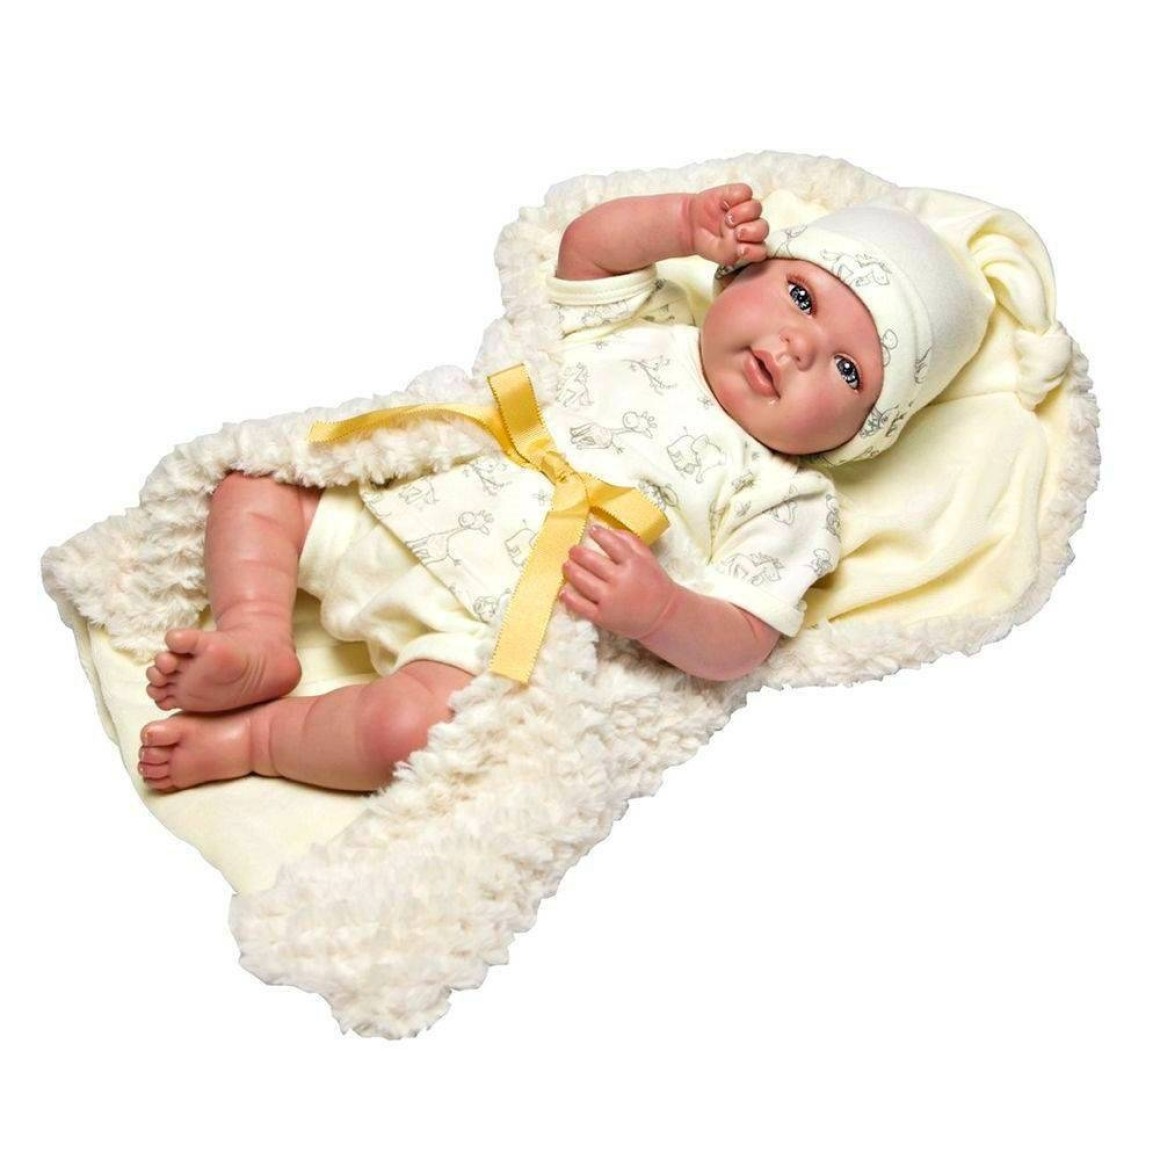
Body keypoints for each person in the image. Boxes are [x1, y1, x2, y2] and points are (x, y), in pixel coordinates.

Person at [136, 183, 991, 793]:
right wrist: (682, 222)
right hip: (397, 507)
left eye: (849, 369)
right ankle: (257, 637)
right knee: (258, 485)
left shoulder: (788, 498)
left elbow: (741, 639)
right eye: (801, 295)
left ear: (860, 435)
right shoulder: (645, 325)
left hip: (484, 630)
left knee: (411, 733)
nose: (800, 345)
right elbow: (587, 247)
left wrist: (659, 610)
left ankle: (259, 740)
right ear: (738, 275)